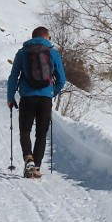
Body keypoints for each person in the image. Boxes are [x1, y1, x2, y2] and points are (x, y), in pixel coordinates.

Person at [7, 26, 67, 178]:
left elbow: (13, 76)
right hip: (45, 98)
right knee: (41, 133)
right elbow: (61, 79)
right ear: (48, 37)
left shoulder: (22, 53)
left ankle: (28, 159)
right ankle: (37, 167)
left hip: (27, 97)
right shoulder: (53, 53)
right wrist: (52, 93)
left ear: (33, 37)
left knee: (25, 131)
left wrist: (10, 97)